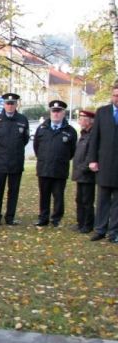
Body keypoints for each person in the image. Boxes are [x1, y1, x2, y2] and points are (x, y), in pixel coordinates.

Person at [0, 93, 30, 226]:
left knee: (13, 191)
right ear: (4, 104)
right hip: (0, 162)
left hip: (16, 162)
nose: (10, 106)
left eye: (12, 103)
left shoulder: (23, 120)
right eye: (8, 103)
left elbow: (25, 140)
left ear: (16, 104)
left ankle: (10, 217)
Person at [33, 100, 77, 227]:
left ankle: (56, 219)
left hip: (60, 169)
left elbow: (72, 151)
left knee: (58, 196)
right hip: (44, 168)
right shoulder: (41, 129)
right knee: (44, 195)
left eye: (59, 112)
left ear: (63, 113)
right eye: (54, 111)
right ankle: (43, 218)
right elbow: (36, 147)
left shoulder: (70, 131)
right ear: (50, 112)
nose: (56, 114)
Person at [88, 81, 118, 243]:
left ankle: (113, 232)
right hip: (104, 164)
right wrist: (92, 160)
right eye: (114, 95)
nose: (116, 98)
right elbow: (94, 139)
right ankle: (100, 229)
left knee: (117, 204)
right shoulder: (103, 112)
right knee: (102, 200)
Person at [71, 110, 96, 233]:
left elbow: (92, 155)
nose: (79, 121)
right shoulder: (83, 134)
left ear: (89, 120)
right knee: (79, 200)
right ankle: (80, 223)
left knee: (87, 200)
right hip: (79, 173)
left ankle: (88, 224)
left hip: (87, 174)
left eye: (82, 118)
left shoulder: (92, 135)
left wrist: (83, 168)